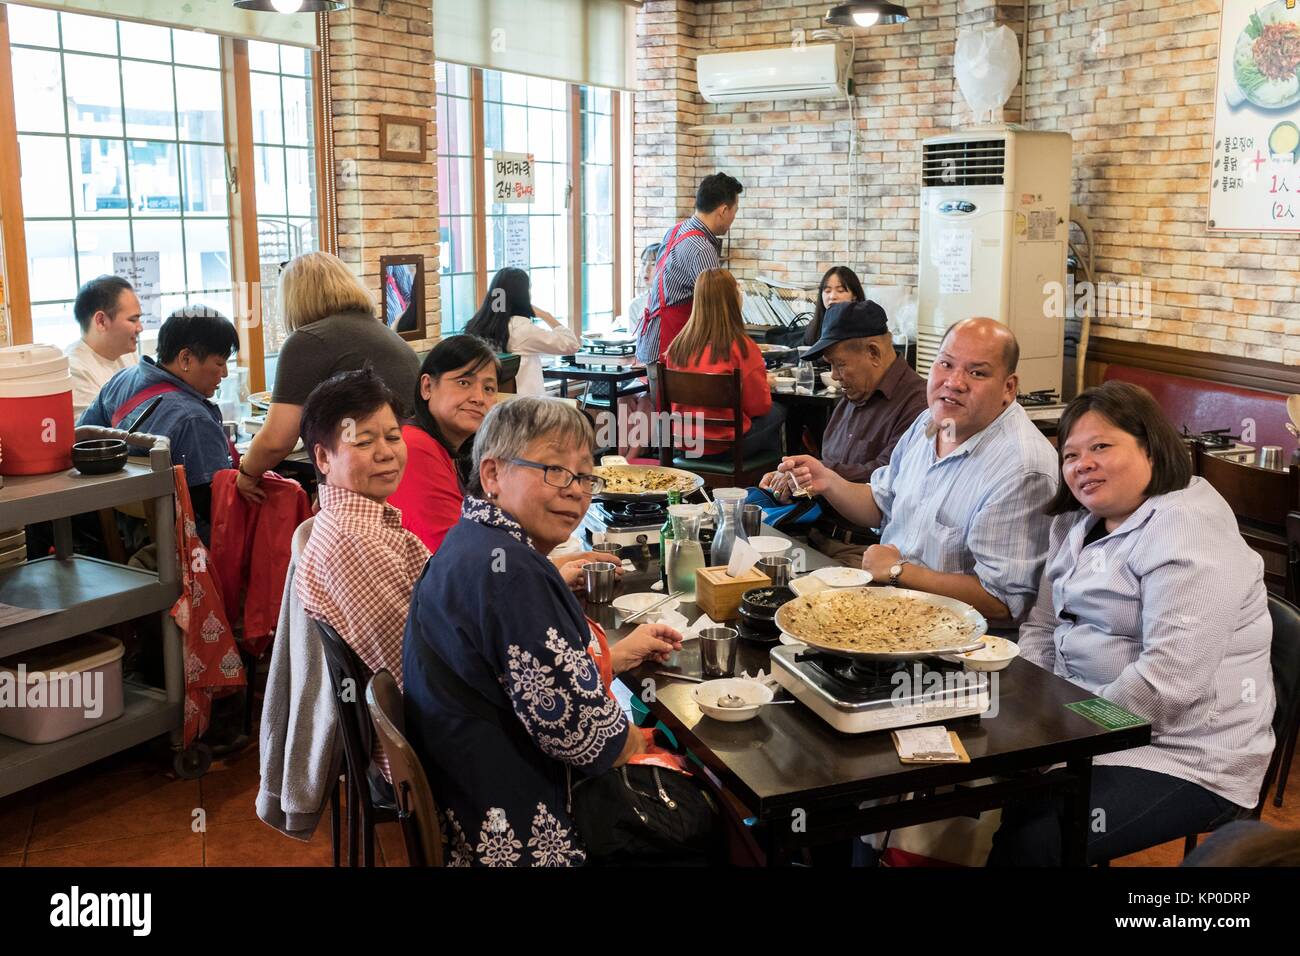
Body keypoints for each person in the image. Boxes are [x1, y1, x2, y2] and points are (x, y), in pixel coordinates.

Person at [987, 381, 1275, 866]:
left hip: (1185, 752)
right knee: (973, 779)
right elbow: (1039, 625)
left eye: (1102, 446)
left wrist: (1060, 732)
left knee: (1038, 841)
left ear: (1152, 449)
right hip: (1081, 724)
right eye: (1071, 454)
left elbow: (1167, 684)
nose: (1082, 464)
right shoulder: (1076, 521)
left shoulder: (1187, 528)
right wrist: (1032, 709)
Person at [403, 398, 685, 867]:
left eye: (585, 475)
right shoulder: (512, 573)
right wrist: (640, 742)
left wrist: (615, 656)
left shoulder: (472, 539)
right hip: (517, 825)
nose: (576, 491)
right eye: (554, 469)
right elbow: (585, 737)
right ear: (492, 475)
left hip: (465, 797)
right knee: (703, 817)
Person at [779, 318, 1057, 625]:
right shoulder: (931, 420)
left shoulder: (1022, 468)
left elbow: (1003, 602)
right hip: (893, 609)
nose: (954, 382)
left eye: (977, 372)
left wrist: (898, 571)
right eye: (946, 364)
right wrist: (827, 481)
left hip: (961, 642)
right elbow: (881, 504)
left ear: (1009, 388)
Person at [236, 251, 420, 503]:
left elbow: (277, 440)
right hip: (407, 473)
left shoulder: (307, 340)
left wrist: (246, 472)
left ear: (294, 299)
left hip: (371, 476)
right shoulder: (385, 334)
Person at [758, 300, 928, 566]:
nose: (835, 376)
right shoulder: (852, 394)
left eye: (840, 364)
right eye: (830, 366)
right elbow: (828, 464)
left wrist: (816, 473)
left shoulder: (918, 405)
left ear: (873, 352)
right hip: (812, 530)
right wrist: (793, 479)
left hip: (862, 549)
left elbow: (886, 479)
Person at [295, 368, 430, 691]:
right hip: (430, 726)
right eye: (365, 441)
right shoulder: (355, 541)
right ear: (323, 457)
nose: (386, 453)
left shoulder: (364, 521)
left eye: (394, 437)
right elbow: (418, 668)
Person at [81, 305, 240, 543]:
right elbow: (220, 510)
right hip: (186, 549)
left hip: (125, 535)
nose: (225, 373)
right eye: (219, 363)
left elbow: (84, 438)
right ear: (185, 358)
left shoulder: (122, 380)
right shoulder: (193, 419)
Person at [389, 335, 501, 553]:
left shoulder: (454, 453)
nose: (478, 397)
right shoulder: (414, 447)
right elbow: (455, 551)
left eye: (488, 388)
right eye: (463, 382)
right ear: (427, 386)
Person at [665, 269, 786, 459]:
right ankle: (764, 480)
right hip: (726, 447)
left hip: (685, 443)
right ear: (734, 299)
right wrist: (766, 384)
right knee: (777, 411)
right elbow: (759, 407)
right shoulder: (742, 347)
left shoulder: (677, 347)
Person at [636, 172, 743, 365]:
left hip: (651, 342)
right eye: (735, 210)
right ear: (723, 210)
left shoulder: (675, 231)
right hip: (672, 345)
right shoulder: (702, 248)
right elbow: (716, 309)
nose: (734, 217)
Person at [464, 267, 578, 397]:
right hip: (523, 404)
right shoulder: (522, 329)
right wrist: (546, 315)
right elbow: (571, 345)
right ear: (522, 295)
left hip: (489, 400)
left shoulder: (477, 324)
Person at [65, 275, 143, 417]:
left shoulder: (127, 354)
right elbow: (95, 433)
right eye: (133, 320)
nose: (140, 328)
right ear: (101, 321)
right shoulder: (74, 369)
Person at [801, 266, 866, 347]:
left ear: (854, 295)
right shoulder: (814, 327)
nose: (832, 296)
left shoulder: (865, 328)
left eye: (840, 291)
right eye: (827, 291)